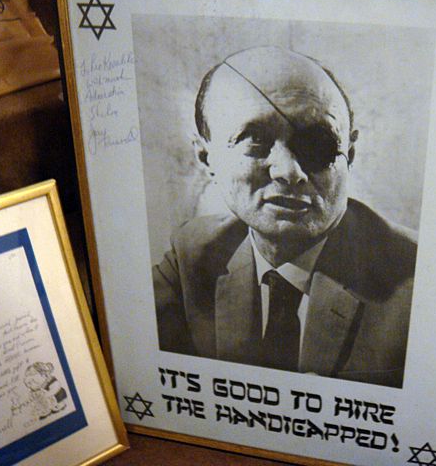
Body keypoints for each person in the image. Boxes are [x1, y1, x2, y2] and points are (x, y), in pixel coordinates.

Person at [153, 46, 416, 388]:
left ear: (348, 154)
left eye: (317, 143)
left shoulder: (419, 286)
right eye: (255, 140)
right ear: (206, 158)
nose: (290, 172)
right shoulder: (193, 255)